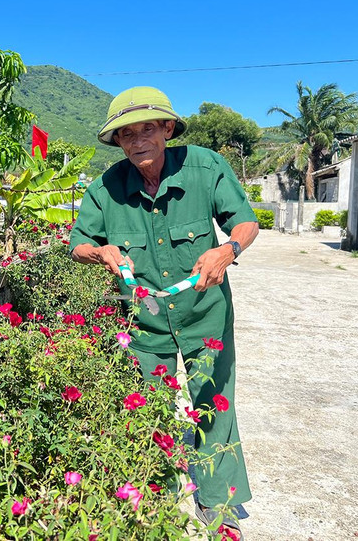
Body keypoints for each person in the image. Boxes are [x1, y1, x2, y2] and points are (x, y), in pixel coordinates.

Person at [68, 87, 258, 540]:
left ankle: (219, 503)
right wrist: (101, 253)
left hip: (204, 315)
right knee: (149, 409)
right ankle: (155, 496)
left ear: (168, 129)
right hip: (144, 323)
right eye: (126, 134)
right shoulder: (105, 188)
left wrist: (227, 251)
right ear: (117, 142)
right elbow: (77, 244)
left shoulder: (205, 167)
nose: (138, 141)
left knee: (214, 405)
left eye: (148, 129)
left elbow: (246, 223)